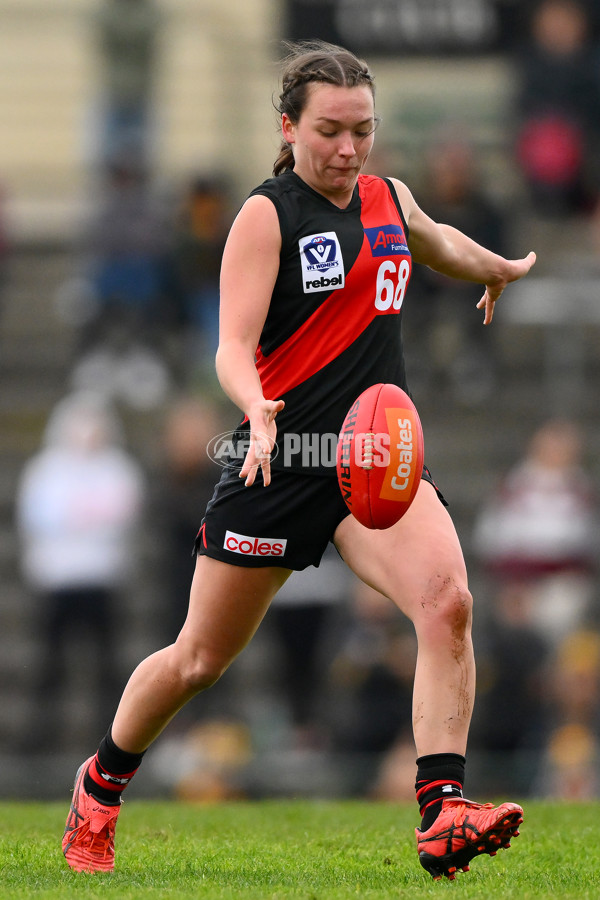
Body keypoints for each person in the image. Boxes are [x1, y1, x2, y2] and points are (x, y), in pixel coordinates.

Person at [62, 41, 536, 881]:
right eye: (329, 131)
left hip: (372, 468)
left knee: (449, 603)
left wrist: (493, 267)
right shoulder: (265, 215)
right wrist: (254, 406)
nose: (350, 149)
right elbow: (232, 347)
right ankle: (99, 786)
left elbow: (433, 240)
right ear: (288, 126)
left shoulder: (389, 198)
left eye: (363, 130)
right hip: (277, 462)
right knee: (198, 660)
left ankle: (441, 813)